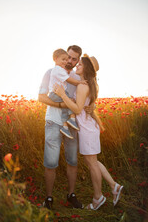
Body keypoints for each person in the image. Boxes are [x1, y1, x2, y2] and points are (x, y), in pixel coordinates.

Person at [54, 54, 124, 210]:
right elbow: (85, 106)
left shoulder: (82, 86)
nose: (77, 65)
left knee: (92, 164)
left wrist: (62, 94)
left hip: (86, 129)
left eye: (80, 64)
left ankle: (98, 198)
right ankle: (114, 187)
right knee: (93, 161)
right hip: (90, 127)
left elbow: (78, 109)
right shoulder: (90, 85)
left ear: (87, 68)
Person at [38, 45, 84, 209]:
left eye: (74, 59)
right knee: (50, 162)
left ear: (78, 60)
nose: (70, 61)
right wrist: (61, 105)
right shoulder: (51, 72)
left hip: (71, 124)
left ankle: (71, 195)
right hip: (53, 122)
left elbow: (84, 99)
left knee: (72, 160)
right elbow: (41, 97)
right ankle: (49, 199)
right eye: (68, 57)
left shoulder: (77, 77)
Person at [48, 48, 86, 139]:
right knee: (70, 102)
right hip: (55, 94)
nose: (66, 61)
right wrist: (79, 82)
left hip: (56, 93)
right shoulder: (58, 69)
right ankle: (71, 119)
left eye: (73, 59)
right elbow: (69, 80)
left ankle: (65, 126)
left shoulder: (59, 70)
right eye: (64, 59)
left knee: (67, 104)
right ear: (56, 59)